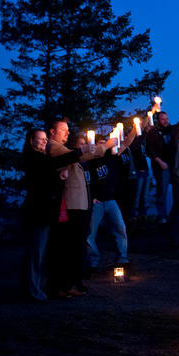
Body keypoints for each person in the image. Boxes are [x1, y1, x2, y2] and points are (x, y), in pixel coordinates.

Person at [46, 120, 116, 298]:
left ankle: (71, 282)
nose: (67, 134)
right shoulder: (54, 147)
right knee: (72, 246)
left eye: (68, 130)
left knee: (77, 245)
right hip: (73, 205)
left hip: (80, 204)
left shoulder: (62, 149)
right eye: (64, 130)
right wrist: (106, 145)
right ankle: (66, 284)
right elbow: (80, 156)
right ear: (52, 132)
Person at [19, 128, 91, 302]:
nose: (44, 142)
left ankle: (37, 288)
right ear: (31, 141)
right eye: (40, 139)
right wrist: (80, 152)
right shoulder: (34, 158)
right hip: (38, 212)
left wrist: (61, 175)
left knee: (40, 252)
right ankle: (32, 291)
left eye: (45, 139)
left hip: (45, 213)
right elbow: (50, 168)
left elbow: (50, 174)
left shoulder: (41, 158)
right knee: (35, 253)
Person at [85, 132, 137, 271]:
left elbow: (126, 142)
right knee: (90, 234)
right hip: (97, 203)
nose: (104, 145)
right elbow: (86, 181)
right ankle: (93, 262)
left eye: (105, 142)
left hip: (111, 201)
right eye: (100, 143)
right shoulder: (91, 160)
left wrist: (135, 127)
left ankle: (122, 257)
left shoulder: (112, 157)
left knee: (120, 228)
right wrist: (91, 198)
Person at [145, 110, 179, 223]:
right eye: (163, 119)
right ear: (158, 120)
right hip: (161, 166)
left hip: (173, 166)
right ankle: (162, 216)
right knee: (162, 192)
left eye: (167, 119)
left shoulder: (171, 130)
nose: (165, 121)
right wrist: (160, 162)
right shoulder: (153, 132)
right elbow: (149, 150)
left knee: (178, 191)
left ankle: (175, 216)